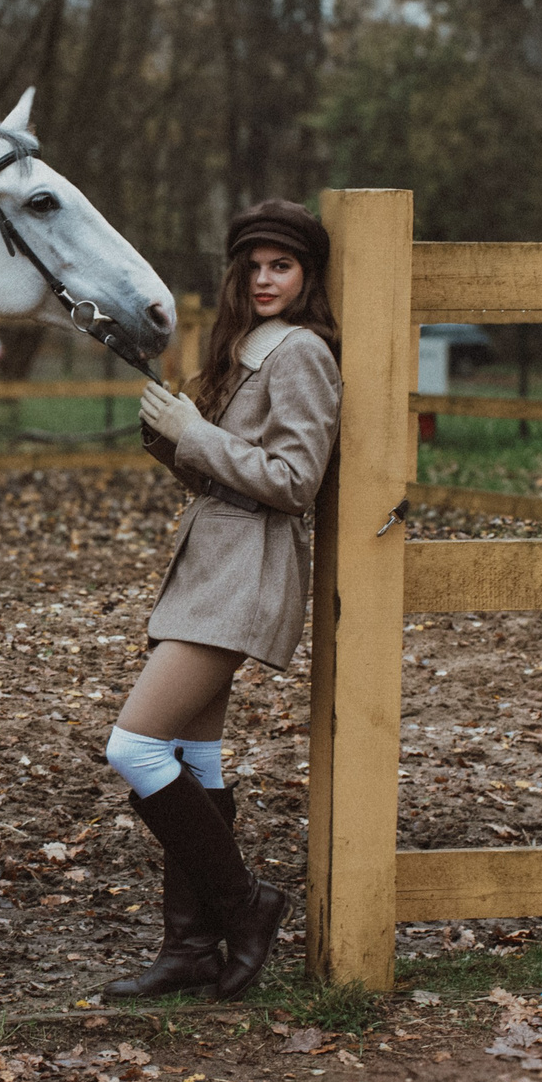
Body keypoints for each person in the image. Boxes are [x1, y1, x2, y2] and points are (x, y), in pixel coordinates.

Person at [105, 199, 342, 1002]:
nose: (266, 278)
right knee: (193, 760)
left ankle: (247, 906)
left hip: (247, 573)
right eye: (254, 264)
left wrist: (198, 434)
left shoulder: (304, 352)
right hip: (208, 565)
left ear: (307, 274)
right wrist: (173, 441)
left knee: (132, 749)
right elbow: (223, 474)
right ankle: (192, 946)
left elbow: (294, 481)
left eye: (283, 265)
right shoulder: (243, 348)